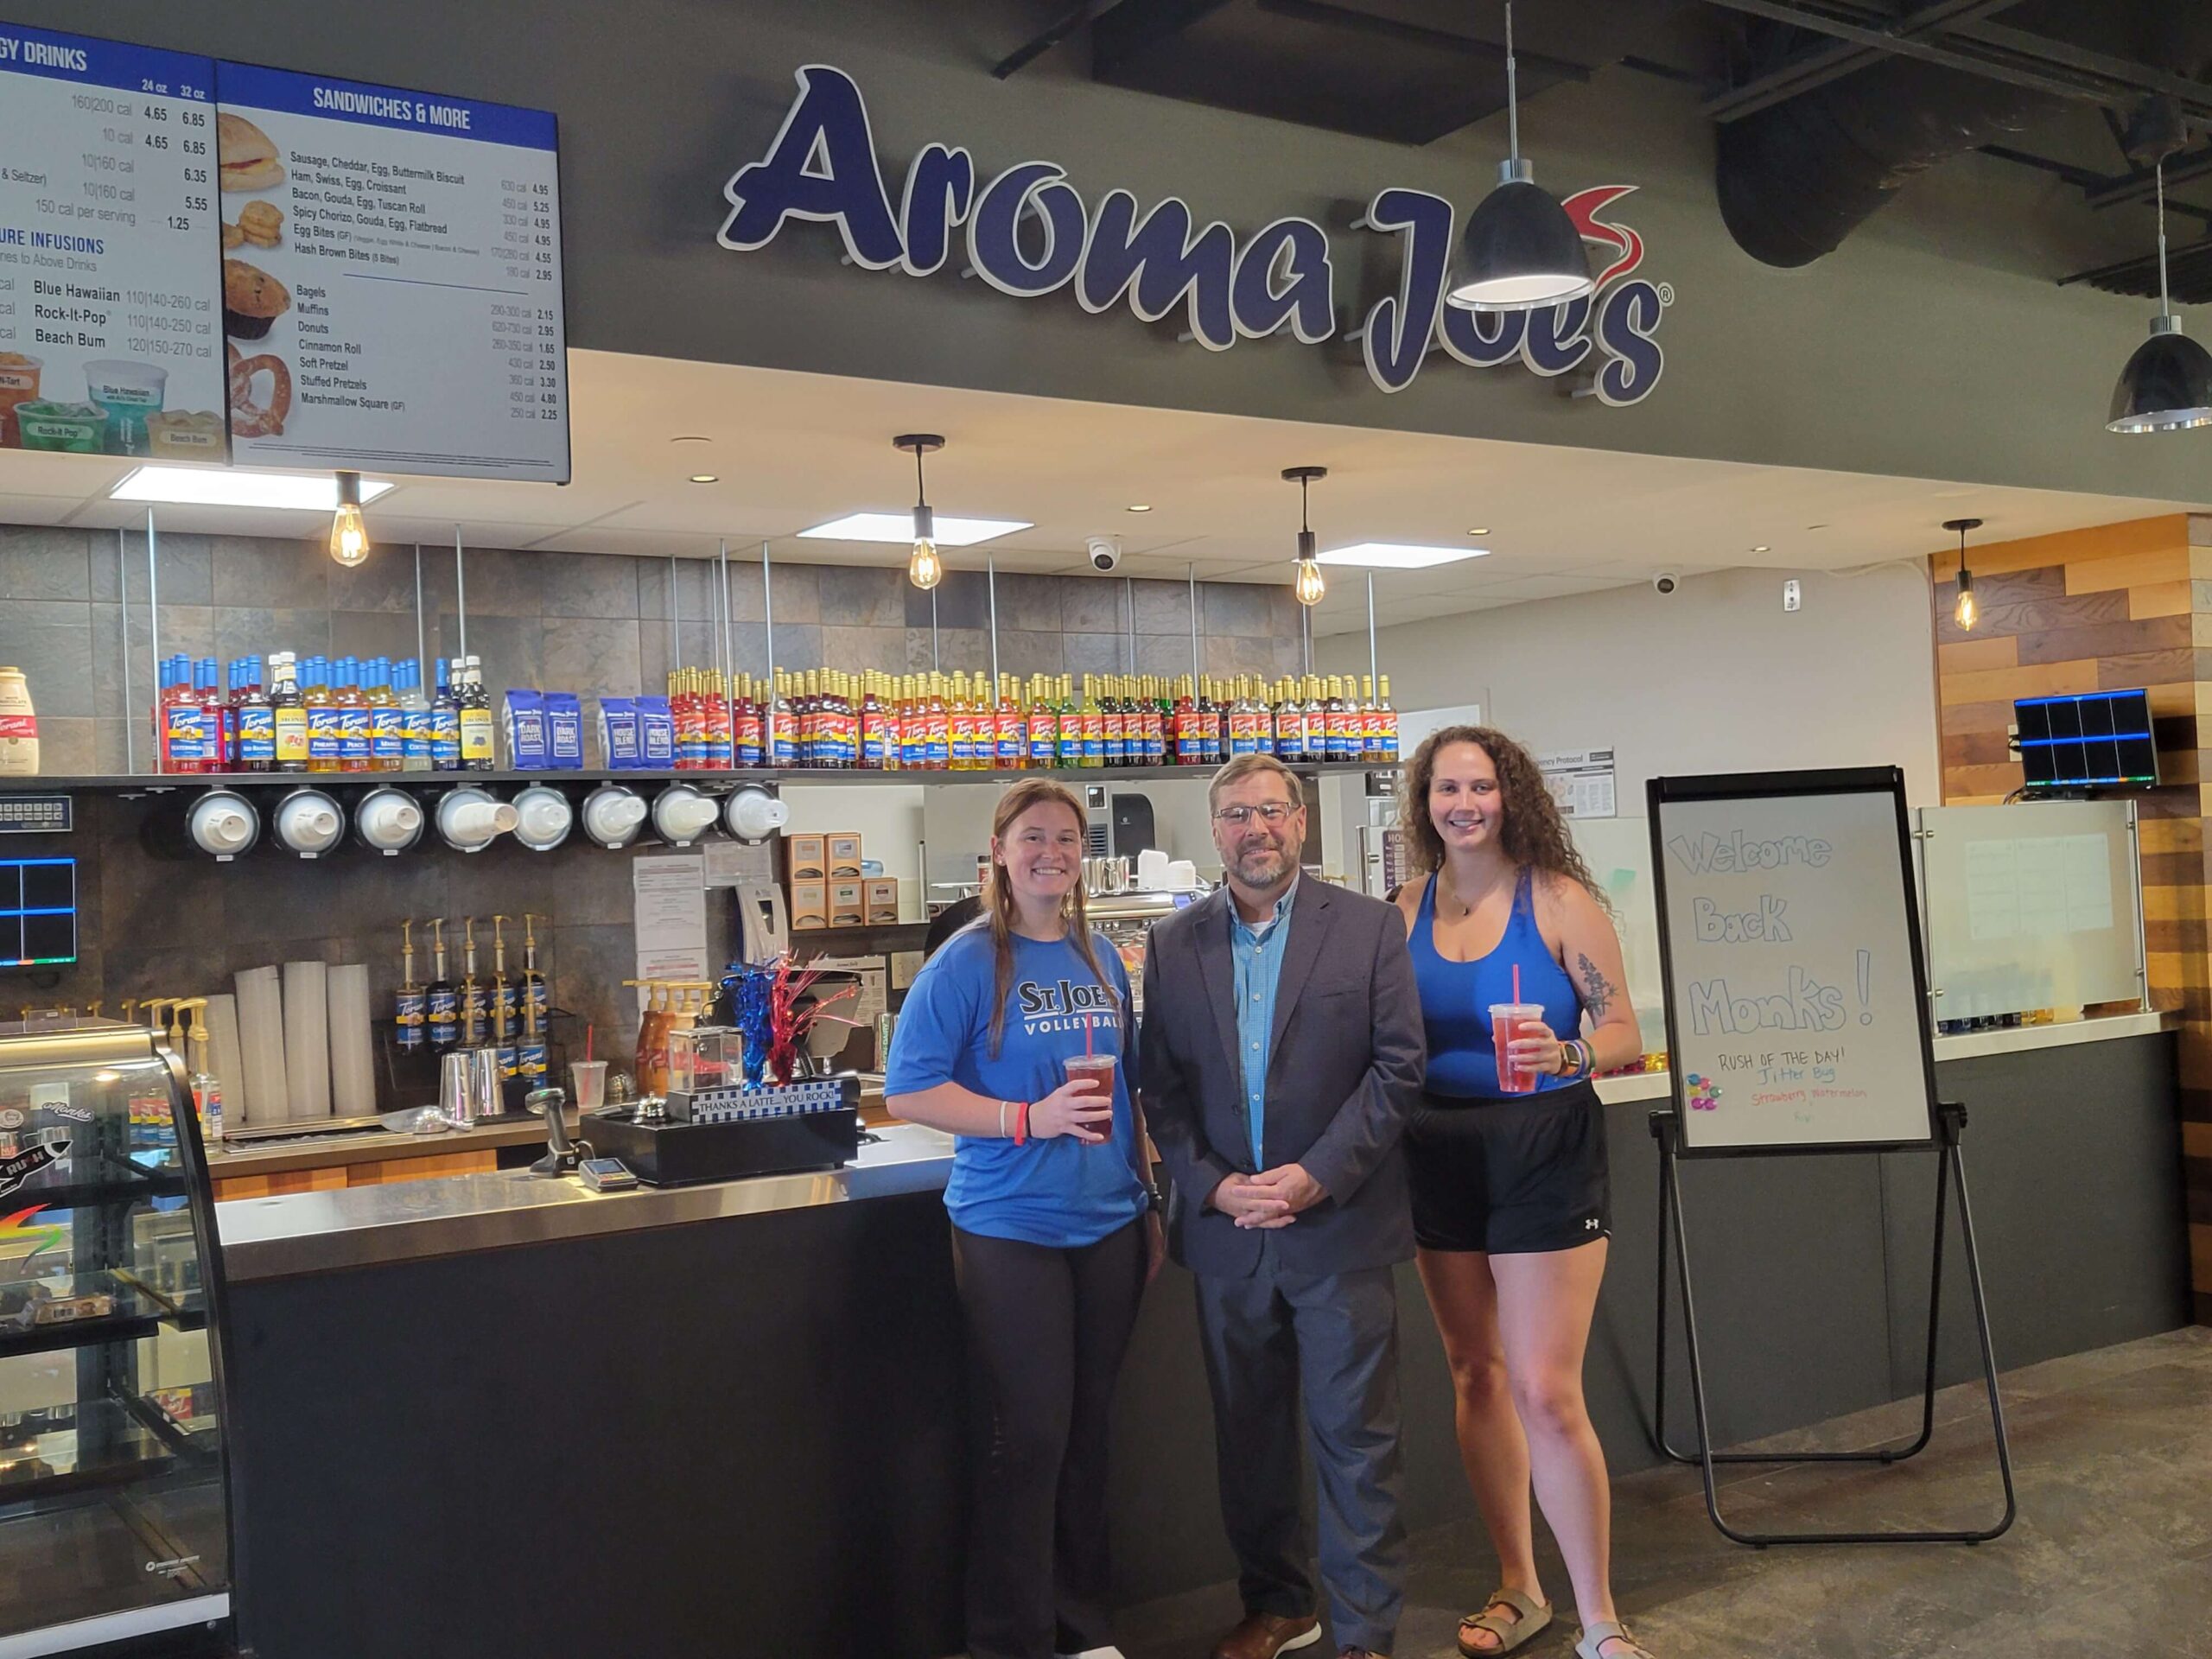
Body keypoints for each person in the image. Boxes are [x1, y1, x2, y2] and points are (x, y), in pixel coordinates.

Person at [1140, 753, 1426, 1659]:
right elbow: (1161, 1090)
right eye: (1235, 814)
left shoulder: (1370, 928)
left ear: (1299, 823)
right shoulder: (1173, 944)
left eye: (1270, 810)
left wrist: (1315, 1176)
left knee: (1356, 1446)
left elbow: (1397, 1068)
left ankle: (1363, 1634)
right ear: (1214, 830)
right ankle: (1278, 1603)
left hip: (1336, 1226)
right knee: (1249, 1444)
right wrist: (1212, 1185)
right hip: (1230, 1235)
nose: (1254, 828)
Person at [885, 777, 1165, 1659]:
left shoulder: (1100, 957)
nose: (1051, 854)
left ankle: (1084, 1631)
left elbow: (1129, 1094)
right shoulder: (966, 961)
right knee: (1030, 1438)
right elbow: (907, 1089)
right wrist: (1024, 1119)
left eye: (1067, 840)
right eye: (1033, 837)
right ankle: (1011, 1637)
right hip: (1010, 1229)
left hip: (1109, 1223)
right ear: (1000, 853)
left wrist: (1148, 1198)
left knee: (1087, 1437)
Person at [1389, 728, 1652, 1659]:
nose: (1463, 803)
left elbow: (1621, 1027)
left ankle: (1600, 1619)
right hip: (1437, 1146)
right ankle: (1519, 1586)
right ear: (1423, 802)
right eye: (1446, 787)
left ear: (1511, 797)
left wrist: (1570, 1051)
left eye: (1481, 787)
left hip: (1543, 1140)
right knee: (1475, 1373)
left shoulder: (1559, 900)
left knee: (1544, 1389)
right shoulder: (1405, 905)